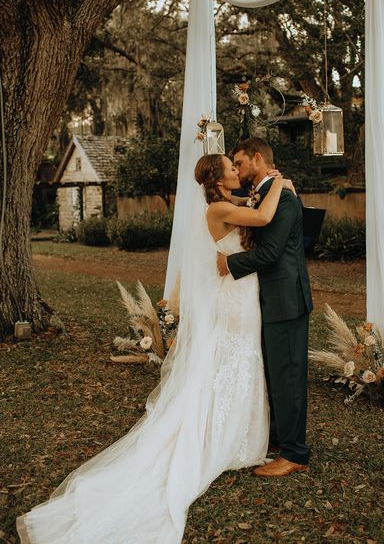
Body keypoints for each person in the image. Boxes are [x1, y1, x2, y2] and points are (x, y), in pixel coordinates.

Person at [17, 153, 291, 544]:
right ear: (218, 177)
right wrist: (279, 180)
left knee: (241, 360)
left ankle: (240, 436)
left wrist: (267, 191)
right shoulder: (216, 210)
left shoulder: (230, 204)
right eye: (232, 168)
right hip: (234, 299)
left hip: (244, 291)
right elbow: (264, 218)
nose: (237, 172)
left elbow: (256, 209)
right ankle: (230, 441)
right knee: (236, 360)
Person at [217, 137, 313, 476]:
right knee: (275, 373)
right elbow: (240, 200)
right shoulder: (267, 192)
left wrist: (230, 264)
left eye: (240, 163)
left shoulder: (283, 198)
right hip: (271, 300)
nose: (238, 169)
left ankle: (295, 453)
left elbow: (270, 253)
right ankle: (279, 438)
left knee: (288, 376)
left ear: (258, 159)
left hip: (286, 299)